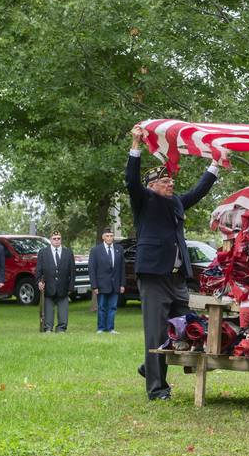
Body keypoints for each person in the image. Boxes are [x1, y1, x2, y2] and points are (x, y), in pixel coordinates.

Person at [126, 124, 220, 401]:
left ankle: (149, 366)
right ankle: (157, 389)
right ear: (152, 185)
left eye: (171, 181)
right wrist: (136, 145)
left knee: (186, 324)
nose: (171, 184)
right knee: (155, 333)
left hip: (178, 277)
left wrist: (215, 165)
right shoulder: (143, 200)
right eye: (166, 182)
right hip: (154, 275)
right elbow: (131, 180)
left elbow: (198, 191)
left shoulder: (177, 202)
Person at [35, 230, 76, 333]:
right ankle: (48, 327)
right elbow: (38, 270)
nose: (57, 241)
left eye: (58, 239)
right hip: (48, 287)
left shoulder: (68, 253)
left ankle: (61, 328)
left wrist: (71, 287)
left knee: (63, 311)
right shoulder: (43, 252)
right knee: (48, 310)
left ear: (61, 240)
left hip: (63, 287)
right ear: (50, 240)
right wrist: (39, 281)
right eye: (54, 239)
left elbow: (72, 271)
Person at [88, 228, 125, 334]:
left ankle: (110, 328)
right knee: (102, 307)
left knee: (113, 307)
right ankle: (101, 328)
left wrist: (122, 284)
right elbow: (92, 269)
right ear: (103, 237)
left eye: (111, 236)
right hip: (101, 284)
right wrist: (94, 286)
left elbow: (122, 268)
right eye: (107, 236)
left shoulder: (119, 249)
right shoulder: (96, 250)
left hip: (115, 284)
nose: (109, 238)